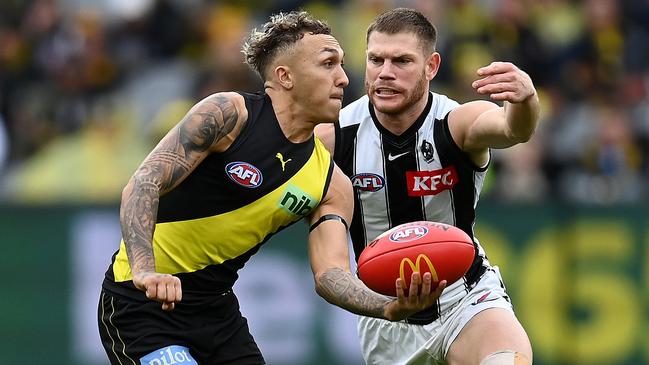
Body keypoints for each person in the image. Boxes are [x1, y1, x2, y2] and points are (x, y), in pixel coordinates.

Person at [97, 10, 443, 365]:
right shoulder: (228, 116)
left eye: (342, 65)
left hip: (216, 316)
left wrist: (390, 307)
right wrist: (145, 270)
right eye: (328, 64)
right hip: (141, 306)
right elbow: (144, 184)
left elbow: (330, 274)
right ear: (285, 76)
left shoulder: (331, 183)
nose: (343, 78)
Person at [315, 7, 539, 365]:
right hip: (387, 316)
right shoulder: (332, 137)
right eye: (376, 59)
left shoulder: (455, 122)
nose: (385, 73)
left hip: (464, 297)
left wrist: (525, 100)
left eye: (401, 60)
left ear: (431, 66)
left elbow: (514, 129)